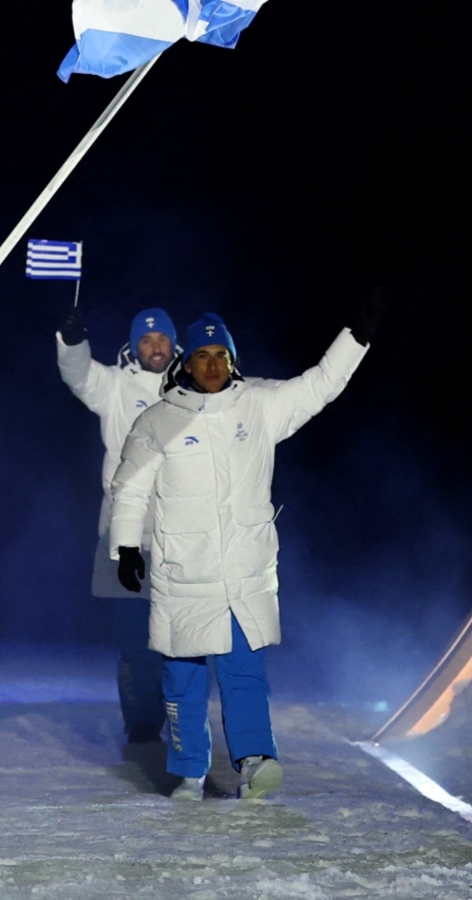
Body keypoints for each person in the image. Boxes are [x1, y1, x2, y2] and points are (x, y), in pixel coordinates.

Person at [109, 300, 382, 800]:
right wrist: (126, 548)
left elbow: (320, 385)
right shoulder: (158, 421)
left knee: (245, 671)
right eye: (202, 356)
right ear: (185, 363)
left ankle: (255, 761)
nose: (213, 365)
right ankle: (189, 769)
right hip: (184, 573)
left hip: (244, 571)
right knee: (184, 678)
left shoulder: (259, 405)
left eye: (222, 355)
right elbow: (128, 490)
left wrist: (355, 338)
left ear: (233, 361)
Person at [57, 306, 177, 743]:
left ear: (173, 343)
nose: (155, 347)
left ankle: (178, 717)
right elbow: (79, 375)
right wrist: (72, 342)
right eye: (146, 341)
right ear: (134, 346)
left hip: (181, 535)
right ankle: (141, 720)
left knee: (181, 639)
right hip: (124, 536)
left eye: (162, 339)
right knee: (133, 640)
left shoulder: (191, 386)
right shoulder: (115, 385)